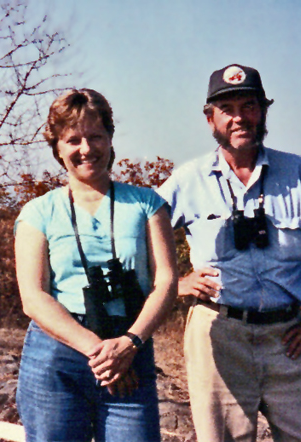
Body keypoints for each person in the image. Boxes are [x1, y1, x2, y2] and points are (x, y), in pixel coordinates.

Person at [158, 64, 301, 442]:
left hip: (290, 338)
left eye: (249, 106)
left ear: (263, 111)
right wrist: (176, 283)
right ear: (210, 118)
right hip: (219, 336)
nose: (239, 118)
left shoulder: (297, 171)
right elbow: (138, 234)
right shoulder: (188, 178)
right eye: (227, 108)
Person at [14, 88, 178, 442]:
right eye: (73, 139)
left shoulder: (148, 204)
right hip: (58, 355)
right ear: (57, 147)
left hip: (129, 349)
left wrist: (129, 345)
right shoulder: (38, 213)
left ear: (110, 139)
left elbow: (165, 281)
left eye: (95, 136)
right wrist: (99, 352)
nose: (86, 149)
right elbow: (33, 296)